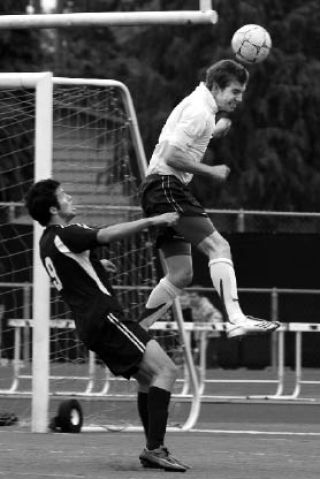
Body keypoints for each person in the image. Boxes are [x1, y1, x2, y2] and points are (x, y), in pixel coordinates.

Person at [25, 178, 188, 473]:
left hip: (91, 326)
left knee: (147, 379)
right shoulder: (68, 232)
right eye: (63, 195)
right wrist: (154, 219)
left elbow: (73, 269)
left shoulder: (46, 243)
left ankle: (153, 448)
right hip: (107, 319)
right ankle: (155, 448)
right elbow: (108, 234)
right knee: (167, 369)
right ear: (53, 208)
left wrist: (99, 266)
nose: (70, 197)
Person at [139, 59, 280, 338]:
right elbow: (172, 156)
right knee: (219, 247)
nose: (239, 99)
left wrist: (213, 133)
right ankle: (237, 318)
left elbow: (179, 142)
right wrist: (210, 171)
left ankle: (136, 331)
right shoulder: (200, 111)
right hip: (166, 186)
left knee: (181, 275)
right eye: (235, 92)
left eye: (242, 93)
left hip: (156, 189)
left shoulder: (199, 107)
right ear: (216, 86)